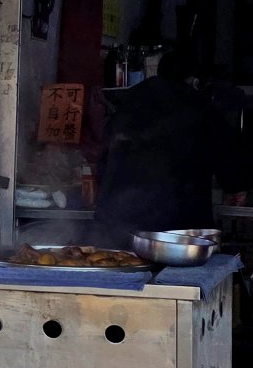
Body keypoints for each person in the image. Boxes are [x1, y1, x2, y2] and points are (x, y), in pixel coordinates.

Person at [94, 52, 248, 243]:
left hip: (118, 227)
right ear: (194, 82)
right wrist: (236, 187)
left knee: (121, 266)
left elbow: (102, 162)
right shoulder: (199, 109)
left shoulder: (127, 107)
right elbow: (231, 161)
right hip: (178, 232)